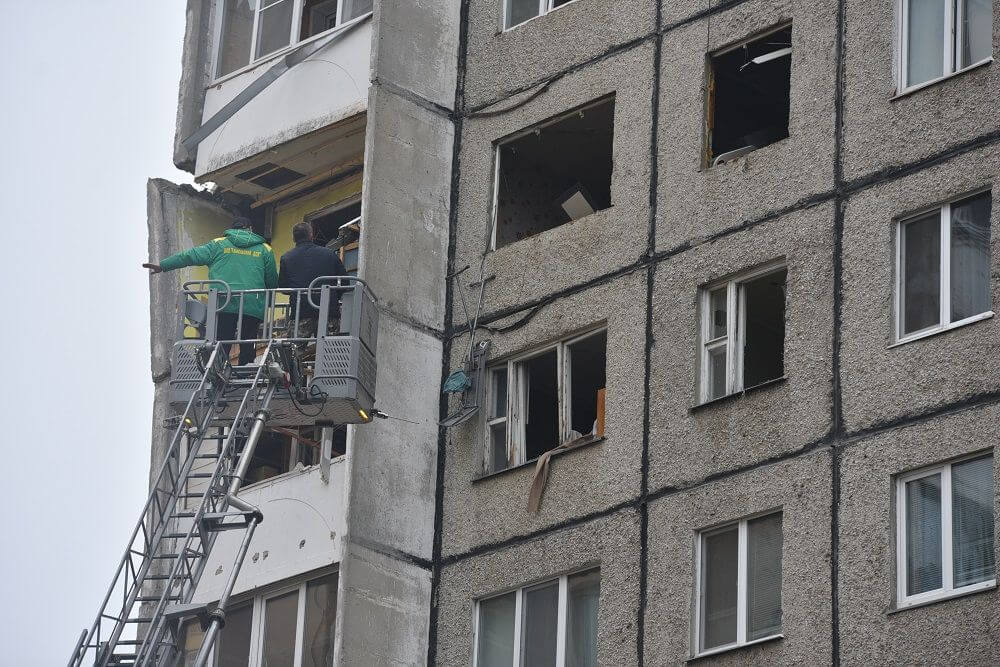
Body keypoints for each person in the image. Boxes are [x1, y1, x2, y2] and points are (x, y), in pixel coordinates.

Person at [144, 216, 278, 365]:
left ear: (232, 230)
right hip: (253, 302)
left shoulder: (218, 244)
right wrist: (268, 303)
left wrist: (163, 266)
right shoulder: (265, 249)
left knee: (222, 340)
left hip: (224, 301)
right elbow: (272, 280)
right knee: (248, 340)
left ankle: (220, 370)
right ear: (250, 229)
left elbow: (189, 256)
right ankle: (246, 372)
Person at [278, 222, 347, 337]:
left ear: (293, 238)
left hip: (301, 311)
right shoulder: (329, 254)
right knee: (330, 352)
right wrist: (334, 296)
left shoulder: (286, 258)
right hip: (328, 311)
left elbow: (284, 288)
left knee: (296, 352)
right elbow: (345, 283)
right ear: (311, 235)